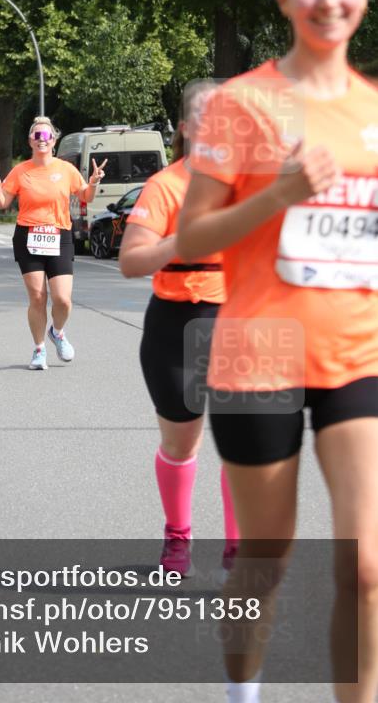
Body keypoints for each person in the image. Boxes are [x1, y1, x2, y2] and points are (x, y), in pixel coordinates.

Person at [177, 0, 377, 703]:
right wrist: (280, 193)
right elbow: (192, 235)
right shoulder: (243, 104)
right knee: (264, 557)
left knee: (365, 567)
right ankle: (242, 690)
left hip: (356, 355)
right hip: (256, 353)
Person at [119, 84, 238, 578]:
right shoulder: (167, 184)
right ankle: (178, 539)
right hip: (179, 323)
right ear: (187, 129)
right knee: (182, 444)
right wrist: (179, 240)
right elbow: (130, 261)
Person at [0, 116, 107, 370]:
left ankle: (58, 332)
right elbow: (1, 203)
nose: (42, 140)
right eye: (37, 136)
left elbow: (85, 196)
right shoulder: (21, 170)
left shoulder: (65, 169)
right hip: (28, 236)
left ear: (54, 140)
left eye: (47, 136)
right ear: (30, 140)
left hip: (59, 235)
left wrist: (94, 182)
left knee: (63, 299)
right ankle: (39, 349)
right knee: (38, 297)